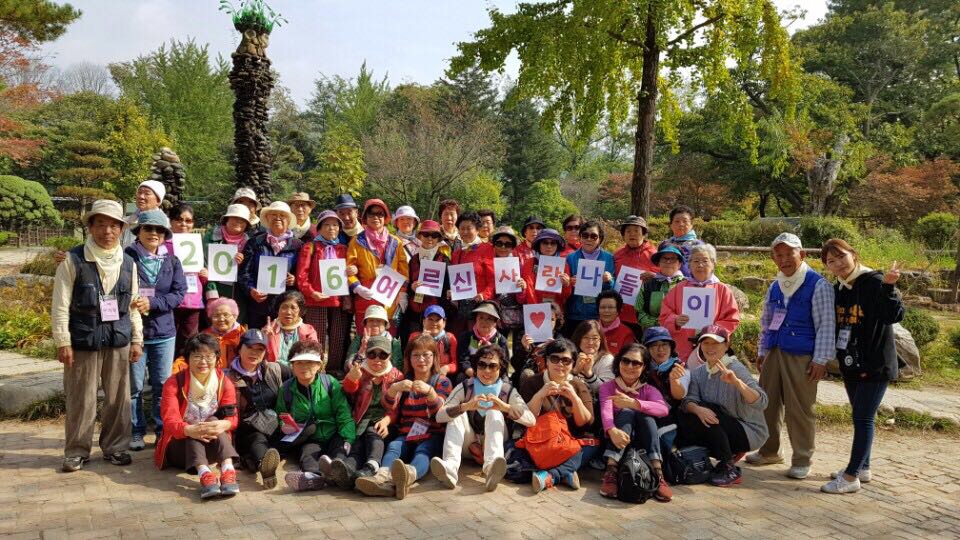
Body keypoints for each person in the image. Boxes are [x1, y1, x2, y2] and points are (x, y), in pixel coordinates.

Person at [53, 200, 142, 472]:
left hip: (118, 339)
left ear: (121, 229)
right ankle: (77, 451)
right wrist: (63, 341)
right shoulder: (73, 260)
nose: (107, 231)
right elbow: (60, 304)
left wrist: (137, 338)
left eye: (114, 225)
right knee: (81, 398)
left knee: (118, 398)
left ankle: (116, 447)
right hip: (83, 340)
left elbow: (133, 305)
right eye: (101, 224)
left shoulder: (129, 263)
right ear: (90, 227)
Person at [747, 233, 836, 480]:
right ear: (773, 258)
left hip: (802, 355)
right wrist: (763, 350)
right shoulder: (776, 285)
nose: (784, 259)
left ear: (802, 254)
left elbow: (826, 325)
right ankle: (769, 451)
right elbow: (766, 321)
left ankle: (802, 458)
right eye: (779, 255)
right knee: (768, 403)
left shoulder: (818, 285)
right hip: (775, 350)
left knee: (800, 409)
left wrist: (821, 359)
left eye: (789, 254)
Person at [819, 239, 903, 494]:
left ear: (853, 255)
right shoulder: (840, 288)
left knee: (863, 417)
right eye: (831, 261)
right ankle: (863, 467)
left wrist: (889, 286)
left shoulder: (875, 281)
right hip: (851, 363)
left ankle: (850, 476)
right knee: (860, 415)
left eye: (841, 256)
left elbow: (893, 315)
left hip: (875, 364)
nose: (838, 264)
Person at [355, 335, 454, 499]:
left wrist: (430, 393)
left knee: (423, 452)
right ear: (409, 358)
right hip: (407, 432)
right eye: (416, 355)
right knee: (394, 446)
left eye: (426, 355)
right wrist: (394, 389)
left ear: (435, 357)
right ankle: (382, 477)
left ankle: (408, 476)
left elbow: (440, 412)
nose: (421, 359)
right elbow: (389, 406)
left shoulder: (442, 382)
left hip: (432, 433)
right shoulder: (404, 380)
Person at [432, 344, 536, 491]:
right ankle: (450, 468)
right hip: (469, 444)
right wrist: (465, 406)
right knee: (456, 416)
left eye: (493, 366)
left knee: (494, 413)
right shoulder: (466, 386)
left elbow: (531, 420)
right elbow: (439, 416)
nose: (487, 371)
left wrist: (505, 407)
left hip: (497, 443)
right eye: (482, 365)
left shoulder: (507, 390)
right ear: (476, 367)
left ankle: (492, 469)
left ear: (500, 369)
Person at [126, 209, 186, 452]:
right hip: (134, 333)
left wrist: (153, 303)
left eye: (159, 230)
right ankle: (136, 431)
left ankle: (162, 429)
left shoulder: (172, 261)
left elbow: (179, 294)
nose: (154, 233)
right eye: (148, 228)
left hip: (164, 332)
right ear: (138, 231)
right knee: (134, 387)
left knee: (162, 385)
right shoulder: (126, 257)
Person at [677, 325, 768, 487]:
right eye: (705, 343)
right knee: (689, 413)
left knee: (710, 409)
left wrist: (737, 383)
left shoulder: (736, 369)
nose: (710, 348)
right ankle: (703, 459)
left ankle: (729, 467)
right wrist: (697, 409)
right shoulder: (698, 372)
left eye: (716, 343)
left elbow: (762, 401)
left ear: (726, 345)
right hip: (722, 428)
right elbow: (688, 401)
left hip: (749, 431)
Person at [154, 334, 240, 499]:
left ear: (217, 358)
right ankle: (205, 474)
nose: (203, 362)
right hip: (181, 450)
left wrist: (225, 425)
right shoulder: (174, 383)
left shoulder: (224, 382)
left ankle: (228, 471)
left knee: (213, 421)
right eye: (197, 356)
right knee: (196, 426)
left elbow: (233, 418)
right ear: (187, 358)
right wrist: (189, 430)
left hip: (214, 447)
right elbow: (170, 421)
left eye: (209, 356)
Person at [517, 338, 594, 492]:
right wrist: (540, 395)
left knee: (593, 446)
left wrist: (575, 398)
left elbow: (585, 423)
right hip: (540, 443)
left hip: (568, 445)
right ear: (546, 361)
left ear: (573, 364)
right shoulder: (532, 383)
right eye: (554, 359)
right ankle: (566, 472)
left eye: (566, 360)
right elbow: (525, 419)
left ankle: (551, 475)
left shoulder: (579, 385)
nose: (560, 364)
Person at [598, 344, 672, 501]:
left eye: (636, 363)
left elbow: (663, 409)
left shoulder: (649, 390)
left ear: (644, 367)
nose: (630, 366)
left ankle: (658, 474)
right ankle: (611, 470)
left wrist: (634, 403)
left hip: (643, 444)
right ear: (618, 362)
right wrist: (611, 430)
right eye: (625, 361)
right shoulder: (608, 387)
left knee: (646, 417)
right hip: (617, 440)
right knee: (626, 413)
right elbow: (606, 412)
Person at [278, 341, 355, 492]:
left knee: (339, 453)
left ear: (319, 365)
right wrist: (286, 426)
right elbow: (280, 415)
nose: (304, 367)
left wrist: (348, 439)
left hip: (334, 434)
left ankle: (338, 473)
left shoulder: (330, 384)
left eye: (309, 362)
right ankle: (314, 477)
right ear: (292, 366)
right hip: (310, 438)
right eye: (299, 362)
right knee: (307, 455)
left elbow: (344, 415)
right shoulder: (286, 389)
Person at [331, 335, 405, 488]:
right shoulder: (360, 371)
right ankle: (347, 472)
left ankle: (372, 465)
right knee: (357, 445)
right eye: (372, 354)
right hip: (360, 420)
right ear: (366, 354)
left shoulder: (396, 376)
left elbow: (395, 407)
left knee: (373, 432)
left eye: (383, 355)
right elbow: (349, 392)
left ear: (390, 355)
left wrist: (387, 420)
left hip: (383, 422)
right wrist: (352, 379)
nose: (377, 359)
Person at [223, 329, 288, 489]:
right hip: (246, 430)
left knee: (308, 429)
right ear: (240, 348)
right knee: (257, 438)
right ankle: (264, 465)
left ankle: (256, 458)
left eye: (260, 349)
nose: (254, 353)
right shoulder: (226, 377)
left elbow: (300, 377)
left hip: (275, 425)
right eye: (250, 347)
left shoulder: (274, 369)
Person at [659, 243, 740, 363]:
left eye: (705, 261)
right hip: (682, 349)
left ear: (713, 264)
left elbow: (731, 319)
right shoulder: (679, 288)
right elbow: (664, 316)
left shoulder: (722, 290)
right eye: (696, 261)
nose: (700, 265)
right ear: (689, 265)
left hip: (712, 348)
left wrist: (713, 331)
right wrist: (675, 321)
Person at [296, 209, 354, 374]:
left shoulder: (343, 248)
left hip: (338, 299)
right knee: (316, 336)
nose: (331, 228)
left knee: (338, 337)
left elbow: (350, 272)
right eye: (327, 225)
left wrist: (353, 270)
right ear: (319, 228)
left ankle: (334, 369)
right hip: (316, 300)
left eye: (335, 225)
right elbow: (301, 275)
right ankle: (314, 369)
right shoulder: (310, 247)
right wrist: (311, 292)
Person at [346, 198, 410, 332]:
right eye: (371, 214)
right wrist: (357, 287)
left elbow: (403, 271)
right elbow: (349, 269)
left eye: (380, 214)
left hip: (390, 297)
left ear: (385, 217)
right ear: (365, 217)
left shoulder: (396, 242)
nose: (376, 217)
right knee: (366, 336)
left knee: (388, 337)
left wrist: (403, 293)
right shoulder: (356, 241)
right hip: (366, 296)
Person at [238, 201, 303, 330]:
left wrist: (295, 279)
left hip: (285, 306)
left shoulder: (298, 245)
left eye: (282, 215)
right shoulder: (255, 242)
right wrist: (251, 290)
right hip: (258, 305)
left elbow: (303, 272)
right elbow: (244, 272)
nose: (278, 217)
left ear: (289, 220)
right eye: (273, 214)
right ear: (267, 218)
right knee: (258, 339)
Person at [167, 203, 206, 357]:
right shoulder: (163, 245)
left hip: (193, 301)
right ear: (171, 221)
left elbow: (201, 275)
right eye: (179, 219)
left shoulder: (197, 244)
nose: (184, 224)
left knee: (189, 342)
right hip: (171, 301)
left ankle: (185, 369)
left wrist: (204, 275)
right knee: (170, 341)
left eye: (188, 220)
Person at [564, 220, 616, 336]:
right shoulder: (570, 258)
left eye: (593, 236)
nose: (589, 239)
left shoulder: (609, 258)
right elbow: (564, 287)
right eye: (585, 235)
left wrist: (609, 280)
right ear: (580, 237)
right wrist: (569, 282)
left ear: (600, 239)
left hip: (598, 314)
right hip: (575, 313)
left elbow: (614, 288)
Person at [202, 203, 252, 323]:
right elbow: (204, 263)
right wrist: (211, 293)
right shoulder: (210, 238)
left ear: (246, 224)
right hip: (215, 292)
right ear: (226, 219)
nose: (238, 222)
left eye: (242, 220)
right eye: (234, 217)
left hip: (239, 296)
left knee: (235, 327)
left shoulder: (250, 243)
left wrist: (242, 264)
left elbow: (250, 271)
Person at [404, 220, 450, 346]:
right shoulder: (413, 260)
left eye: (434, 235)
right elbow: (407, 284)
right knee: (414, 344)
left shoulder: (444, 260)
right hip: (415, 311)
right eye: (426, 234)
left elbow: (448, 287)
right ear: (419, 236)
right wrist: (411, 287)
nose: (430, 238)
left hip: (435, 313)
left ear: (439, 239)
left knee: (433, 346)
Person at [447, 212, 495, 333]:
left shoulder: (487, 249)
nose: (465, 232)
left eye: (469, 228)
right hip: (460, 309)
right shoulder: (457, 253)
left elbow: (494, 279)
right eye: (462, 228)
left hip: (479, 308)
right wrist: (452, 291)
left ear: (477, 229)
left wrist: (484, 295)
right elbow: (456, 280)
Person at [171, 298, 246, 373]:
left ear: (235, 317)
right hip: (210, 375)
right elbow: (190, 356)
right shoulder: (205, 335)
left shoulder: (242, 334)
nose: (221, 319)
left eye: (226, 315)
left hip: (238, 375)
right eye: (216, 316)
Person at [614, 215, 658, 332]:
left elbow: (667, 279)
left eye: (636, 231)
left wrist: (655, 276)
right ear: (623, 235)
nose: (632, 234)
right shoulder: (617, 255)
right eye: (628, 231)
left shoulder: (654, 255)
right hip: (620, 313)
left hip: (644, 315)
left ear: (644, 234)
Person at [490, 226, 528, 361]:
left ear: (513, 246)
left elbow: (522, 299)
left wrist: (523, 287)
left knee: (516, 353)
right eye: (499, 243)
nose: (503, 247)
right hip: (494, 316)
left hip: (515, 317)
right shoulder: (487, 263)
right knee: (496, 352)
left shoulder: (519, 264)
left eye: (508, 244)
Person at [456, 301, 509, 384]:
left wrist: (489, 375)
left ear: (495, 322)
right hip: (472, 374)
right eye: (481, 317)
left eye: (489, 319)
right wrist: (475, 374)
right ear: (476, 319)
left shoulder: (501, 340)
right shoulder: (466, 337)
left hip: (494, 375)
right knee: (461, 378)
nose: (484, 321)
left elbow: (504, 364)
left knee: (505, 381)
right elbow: (463, 361)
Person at [636, 245, 685, 332]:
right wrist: (661, 323)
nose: (668, 261)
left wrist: (675, 322)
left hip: (680, 334)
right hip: (653, 334)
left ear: (679, 264)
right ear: (658, 263)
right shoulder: (648, 284)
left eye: (673, 259)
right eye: (664, 258)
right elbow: (639, 312)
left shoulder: (687, 285)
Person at [263, 291, 319, 366]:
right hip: (274, 370)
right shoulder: (269, 329)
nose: (288, 312)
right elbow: (261, 357)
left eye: (293, 308)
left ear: (300, 311)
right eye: (284, 307)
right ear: (278, 310)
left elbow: (313, 355)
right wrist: (264, 338)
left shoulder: (309, 331)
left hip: (299, 370)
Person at [520, 228, 571, 310]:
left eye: (553, 243)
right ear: (539, 244)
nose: (549, 246)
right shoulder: (529, 263)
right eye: (545, 243)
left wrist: (566, 285)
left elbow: (566, 295)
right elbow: (528, 290)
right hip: (534, 310)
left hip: (556, 311)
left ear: (557, 246)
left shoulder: (563, 265)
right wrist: (536, 309)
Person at [346, 304, 404, 370]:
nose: (374, 323)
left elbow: (397, 367)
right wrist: (362, 349)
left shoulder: (393, 342)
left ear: (385, 324)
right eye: (371, 320)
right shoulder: (358, 340)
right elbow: (348, 367)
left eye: (379, 321)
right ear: (365, 324)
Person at [407, 305, 458, 377]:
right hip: (419, 375)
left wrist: (447, 368)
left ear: (444, 323)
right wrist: (423, 340)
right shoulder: (414, 337)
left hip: (441, 376)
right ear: (424, 321)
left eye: (437, 320)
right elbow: (408, 361)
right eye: (430, 319)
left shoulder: (450, 338)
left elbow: (455, 363)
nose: (434, 323)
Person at [570, 320, 615, 394]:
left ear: (601, 340)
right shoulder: (568, 356)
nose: (590, 342)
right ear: (578, 338)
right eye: (585, 337)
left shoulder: (607, 359)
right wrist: (575, 371)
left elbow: (607, 390)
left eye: (595, 338)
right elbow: (560, 383)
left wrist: (589, 374)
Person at [658, 205, 704, 278]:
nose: (681, 224)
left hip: (691, 283)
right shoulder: (664, 245)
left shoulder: (699, 246)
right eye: (677, 221)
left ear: (691, 224)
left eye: (685, 221)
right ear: (671, 225)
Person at [120, 180, 165, 247]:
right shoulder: (126, 222)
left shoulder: (165, 225)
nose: (141, 196)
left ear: (158, 201)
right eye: (139, 192)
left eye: (147, 193)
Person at [597, 290, 636, 356]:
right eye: (602, 307)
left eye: (611, 307)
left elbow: (627, 357)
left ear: (618, 311)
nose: (606, 311)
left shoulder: (626, 333)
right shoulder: (591, 328)